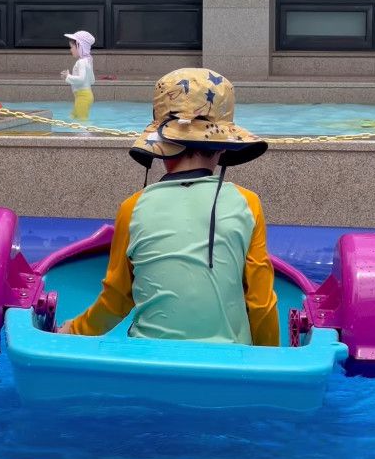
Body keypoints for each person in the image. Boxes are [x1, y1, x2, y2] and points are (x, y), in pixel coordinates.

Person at [58, 68, 279, 347]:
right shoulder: (247, 203)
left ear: (161, 145)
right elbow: (261, 304)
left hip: (150, 359)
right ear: (223, 146)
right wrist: (269, 357)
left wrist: (74, 330)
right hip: (229, 362)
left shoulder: (132, 207)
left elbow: (116, 300)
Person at [61, 30, 96, 121]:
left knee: (81, 122)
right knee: (73, 118)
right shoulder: (88, 61)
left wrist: (68, 76)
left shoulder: (81, 62)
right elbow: (92, 80)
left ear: (80, 46)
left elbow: (81, 79)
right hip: (86, 95)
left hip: (82, 96)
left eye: (72, 47)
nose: (70, 50)